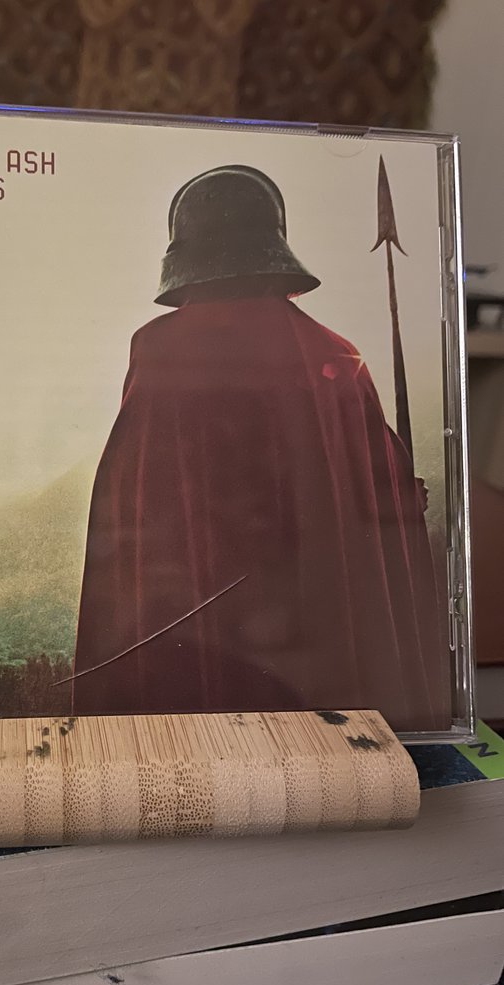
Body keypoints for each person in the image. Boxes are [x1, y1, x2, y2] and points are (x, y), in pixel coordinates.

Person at [71, 165, 450, 732]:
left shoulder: (159, 349)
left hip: (195, 615)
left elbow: (132, 492)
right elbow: (383, 490)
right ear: (274, 247)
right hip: (312, 629)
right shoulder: (334, 351)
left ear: (186, 257)